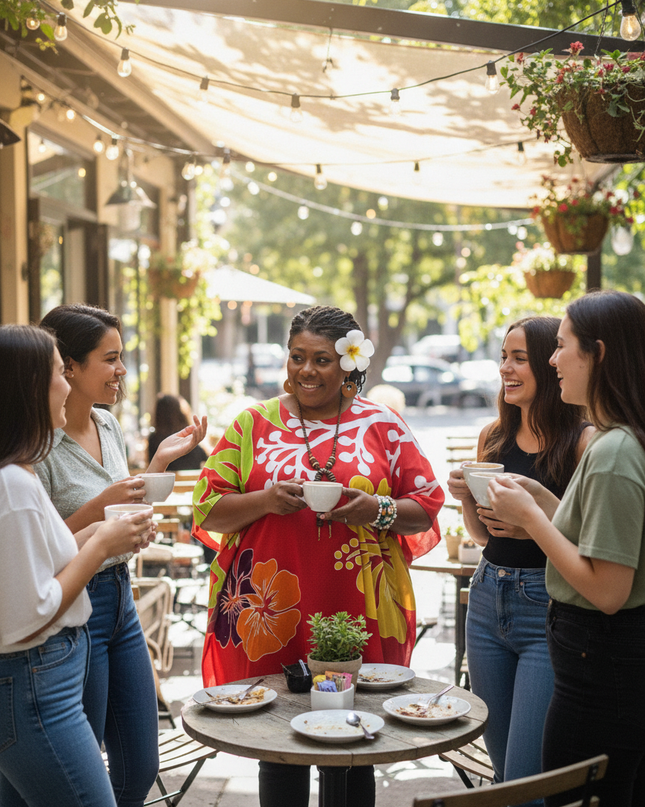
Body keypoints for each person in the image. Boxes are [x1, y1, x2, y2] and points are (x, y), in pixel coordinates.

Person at [193, 305, 444, 807]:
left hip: (359, 610)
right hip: (269, 610)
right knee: (276, 747)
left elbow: (427, 507)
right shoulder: (252, 424)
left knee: (356, 739)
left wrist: (377, 509)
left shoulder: (383, 425)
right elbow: (208, 509)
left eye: (323, 360)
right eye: (297, 357)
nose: (306, 370)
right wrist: (265, 501)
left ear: (348, 363)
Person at [35, 303, 207, 807]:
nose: (121, 371)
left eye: (122, 357)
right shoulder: (37, 447)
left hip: (122, 602)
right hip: (73, 610)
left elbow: (123, 499)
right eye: (110, 359)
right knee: (83, 763)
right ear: (69, 367)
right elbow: (40, 546)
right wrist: (101, 509)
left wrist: (159, 462)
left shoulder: (108, 426)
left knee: (138, 766)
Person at [488, 291, 645, 807]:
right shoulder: (615, 440)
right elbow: (602, 542)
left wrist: (532, 518)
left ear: (597, 353)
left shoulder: (614, 450)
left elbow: (607, 589)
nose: (552, 360)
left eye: (560, 346)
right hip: (597, 656)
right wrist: (544, 501)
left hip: (599, 658)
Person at [0, 325, 154, 807]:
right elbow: (31, 613)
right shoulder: (17, 484)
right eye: (55, 372)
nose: (65, 382)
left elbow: (45, 554)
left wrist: (107, 538)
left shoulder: (17, 472)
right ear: (30, 387)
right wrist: (102, 539)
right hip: (36, 679)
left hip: (44, 673)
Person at [447, 316, 593, 799]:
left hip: (546, 604)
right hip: (487, 599)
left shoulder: (582, 442)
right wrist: (467, 497)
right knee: (503, 768)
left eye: (520, 358)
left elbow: (584, 538)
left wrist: (531, 520)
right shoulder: (494, 435)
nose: (506, 369)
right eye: (503, 358)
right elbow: (481, 534)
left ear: (552, 366)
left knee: (527, 778)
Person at [148, 393, 208, 471]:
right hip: (193, 482)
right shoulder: (189, 436)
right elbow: (204, 458)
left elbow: (151, 467)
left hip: (168, 482)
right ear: (179, 411)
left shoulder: (154, 439)